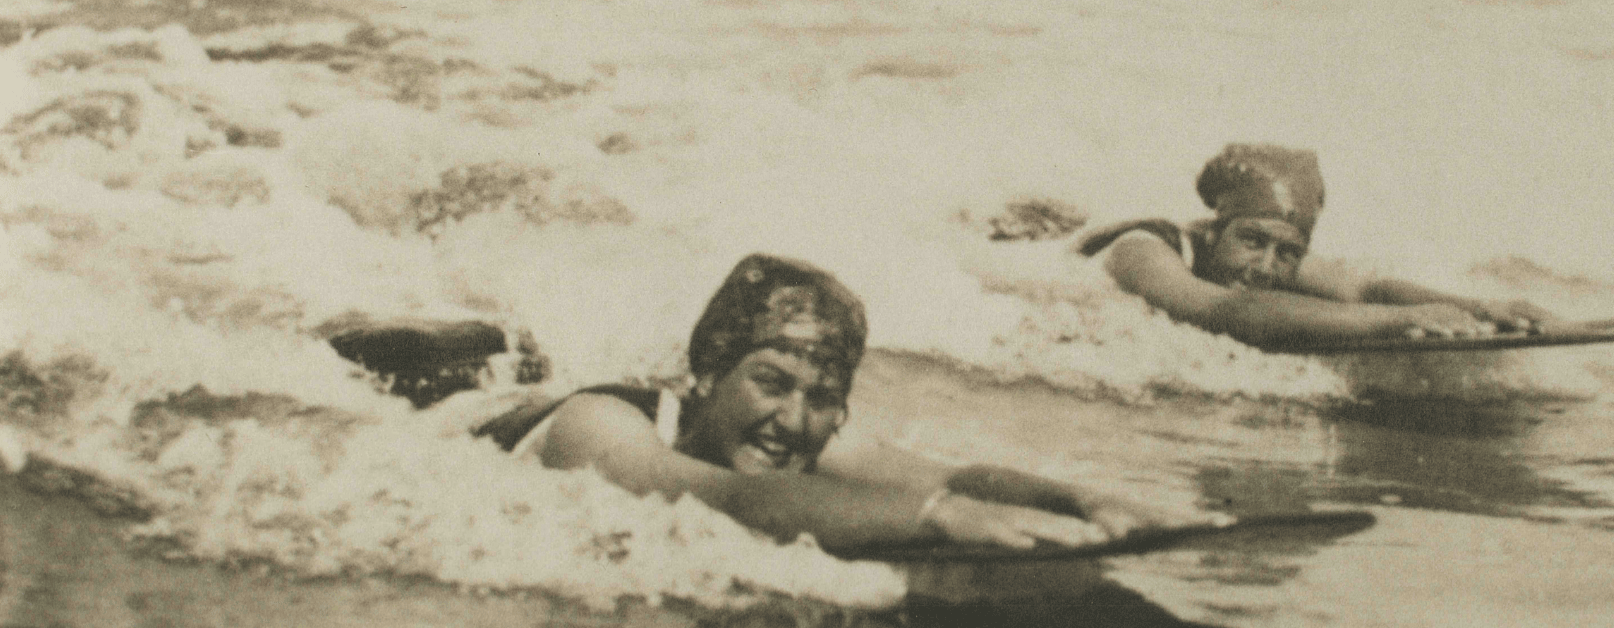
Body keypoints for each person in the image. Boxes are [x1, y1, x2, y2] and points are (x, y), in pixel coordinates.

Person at [473, 253, 1209, 553]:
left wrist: (1081, 498)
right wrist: (937, 524)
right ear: (707, 372)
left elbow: (946, 478)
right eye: (770, 382)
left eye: (822, 397)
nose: (794, 420)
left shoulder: (807, 437)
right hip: (447, 400)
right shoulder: (599, 429)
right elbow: (726, 499)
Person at [1076, 143, 1556, 350]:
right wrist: (1399, 321)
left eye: (1286, 252)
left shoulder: (1268, 256)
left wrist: (1480, 308)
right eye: (1252, 241)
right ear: (1217, 230)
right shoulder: (1143, 251)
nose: (1266, 266)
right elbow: (1221, 310)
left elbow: (1368, 290)